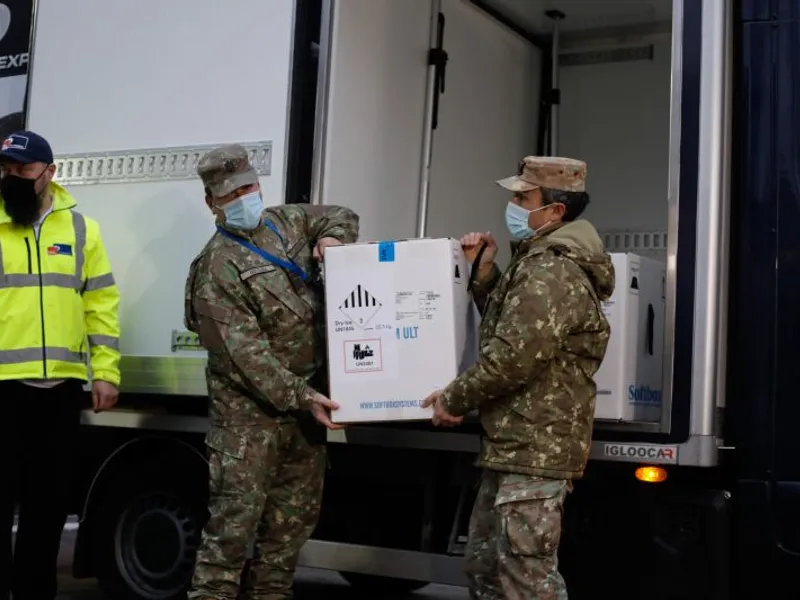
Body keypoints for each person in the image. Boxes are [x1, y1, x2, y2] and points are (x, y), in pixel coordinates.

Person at [422, 156, 615, 599]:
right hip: (513, 445)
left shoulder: (552, 268)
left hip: (535, 448)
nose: (512, 205)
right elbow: (518, 326)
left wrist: (453, 397)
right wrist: (486, 272)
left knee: (526, 580)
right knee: (487, 569)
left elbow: (513, 357)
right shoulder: (538, 262)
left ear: (555, 210)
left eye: (522, 197)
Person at [185, 143, 359, 599]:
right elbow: (248, 358)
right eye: (230, 194)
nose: (244, 198)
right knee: (227, 545)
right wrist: (306, 396)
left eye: (248, 187)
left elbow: (341, 214)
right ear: (212, 203)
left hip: (302, 423)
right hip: (248, 427)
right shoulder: (215, 267)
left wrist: (332, 238)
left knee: (284, 547)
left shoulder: (287, 222)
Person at [0, 130, 121, 600]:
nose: (12, 178)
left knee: (47, 508)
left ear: (49, 173)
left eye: (23, 171)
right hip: (4, 388)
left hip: (60, 392)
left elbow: (101, 302)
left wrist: (106, 370)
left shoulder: (81, 230)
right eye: (6, 170)